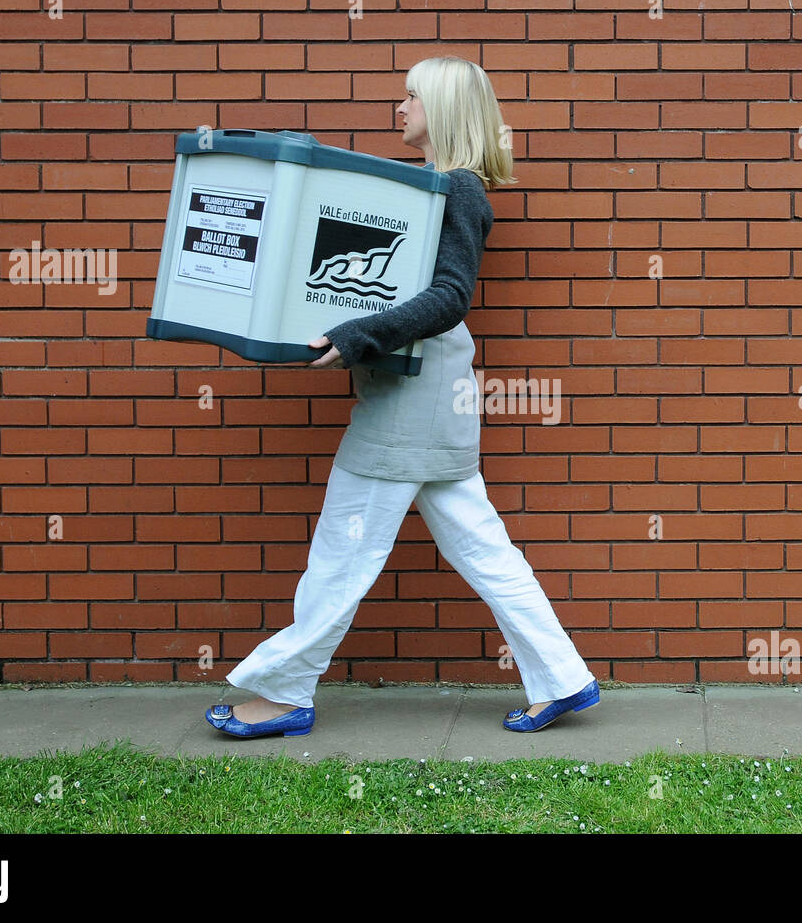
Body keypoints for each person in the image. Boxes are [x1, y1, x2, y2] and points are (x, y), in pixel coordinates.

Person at [206, 56, 599, 738]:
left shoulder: (456, 190)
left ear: (441, 109)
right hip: (424, 390)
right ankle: (564, 680)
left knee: (342, 551)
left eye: (410, 96)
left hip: (412, 401)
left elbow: (448, 297)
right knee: (483, 549)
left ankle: (284, 691)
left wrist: (357, 336)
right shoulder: (434, 185)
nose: (400, 107)